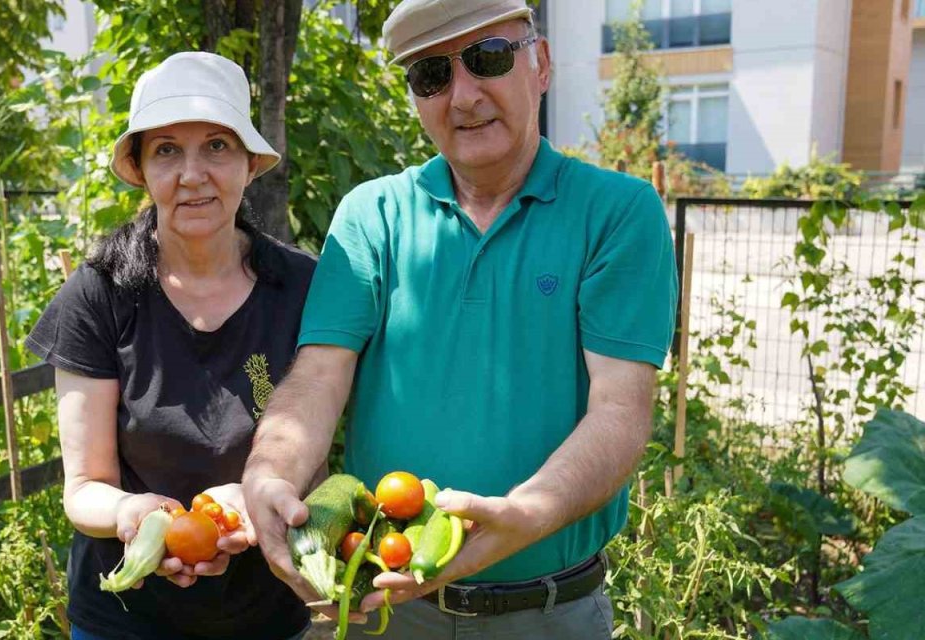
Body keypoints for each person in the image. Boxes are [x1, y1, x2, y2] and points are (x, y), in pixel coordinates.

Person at [241, 0, 677, 637]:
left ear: (542, 64)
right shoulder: (372, 215)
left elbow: (621, 411)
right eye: (432, 75)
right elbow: (319, 376)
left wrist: (525, 513)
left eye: (488, 59)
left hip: (547, 616)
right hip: (383, 602)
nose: (464, 95)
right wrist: (269, 472)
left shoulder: (617, 213)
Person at [24, 51, 316, 640]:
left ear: (248, 163)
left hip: (266, 614)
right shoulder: (99, 294)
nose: (192, 173)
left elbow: (319, 457)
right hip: (124, 619)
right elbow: (84, 488)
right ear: (141, 168)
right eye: (166, 150)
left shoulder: (303, 288)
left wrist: (255, 492)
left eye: (216, 145)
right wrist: (132, 513)